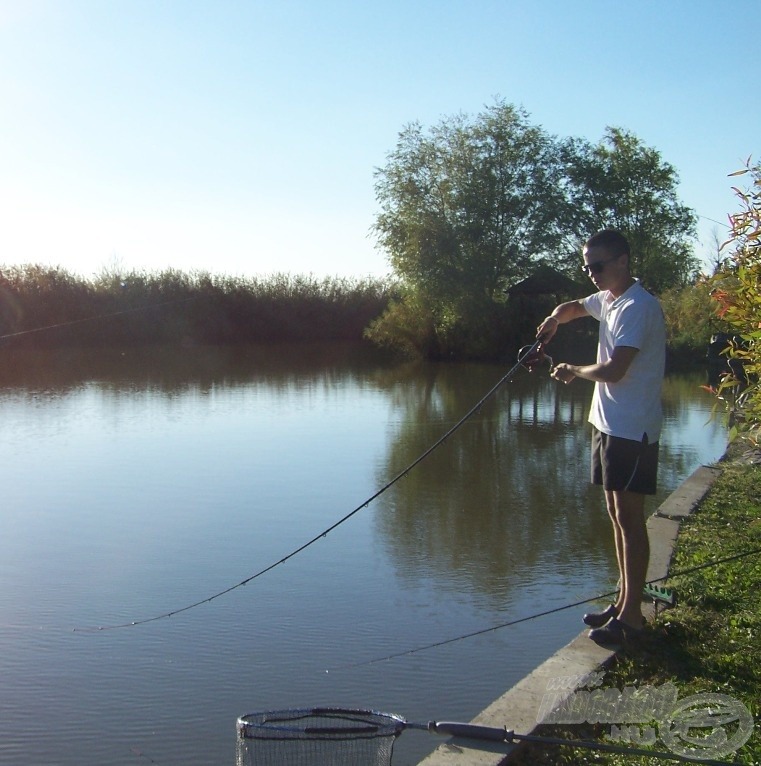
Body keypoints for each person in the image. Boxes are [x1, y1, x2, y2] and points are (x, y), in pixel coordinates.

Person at [535, 229, 666, 644]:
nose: (591, 273)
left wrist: (572, 370)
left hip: (632, 428)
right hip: (608, 424)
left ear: (623, 261)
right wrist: (555, 319)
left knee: (630, 519)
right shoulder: (609, 298)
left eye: (598, 265)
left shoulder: (636, 307)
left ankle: (632, 620)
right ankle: (624, 599)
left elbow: (613, 371)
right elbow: (574, 306)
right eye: (587, 266)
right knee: (616, 515)